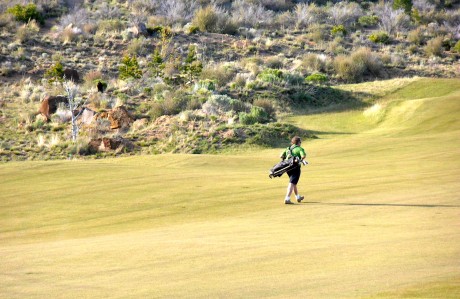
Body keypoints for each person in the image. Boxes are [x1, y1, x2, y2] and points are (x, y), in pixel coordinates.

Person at [280, 136, 307, 204]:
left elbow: (281, 156)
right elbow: (303, 156)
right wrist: (301, 160)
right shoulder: (300, 149)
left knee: (293, 181)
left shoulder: (288, 148)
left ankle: (298, 197)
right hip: (295, 168)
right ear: (299, 143)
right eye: (300, 142)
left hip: (287, 168)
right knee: (292, 183)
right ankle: (287, 198)